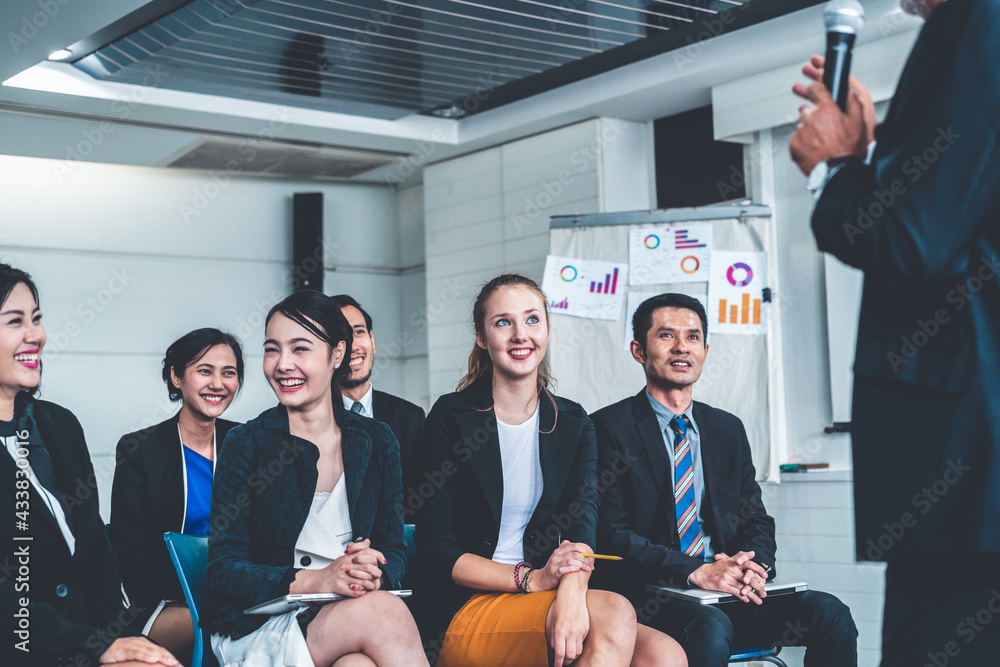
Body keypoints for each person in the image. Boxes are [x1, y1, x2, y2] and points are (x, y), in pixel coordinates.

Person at [789, 0, 1000, 663]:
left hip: (966, 478)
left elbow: (917, 243)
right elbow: (960, 220)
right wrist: (876, 156)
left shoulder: (976, 19)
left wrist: (837, 166)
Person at [414, 273, 686, 667]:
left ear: (546, 329)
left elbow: (582, 528)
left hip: (542, 595)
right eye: (503, 322)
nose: (520, 335)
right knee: (615, 614)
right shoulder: (450, 417)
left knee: (665, 656)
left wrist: (571, 596)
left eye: (532, 320)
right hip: (465, 607)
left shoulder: (573, 422)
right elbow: (437, 549)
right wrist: (532, 579)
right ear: (481, 336)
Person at [592, 293, 858, 666]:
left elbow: (756, 519)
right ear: (639, 350)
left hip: (725, 593)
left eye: (693, 336)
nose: (682, 347)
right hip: (652, 597)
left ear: (705, 349)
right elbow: (610, 534)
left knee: (830, 613)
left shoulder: (726, 428)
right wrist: (697, 571)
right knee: (710, 628)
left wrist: (756, 566)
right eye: (666, 336)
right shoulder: (607, 428)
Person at [205, 290, 428, 667]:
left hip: (351, 612)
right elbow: (223, 570)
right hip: (264, 626)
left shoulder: (376, 439)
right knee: (385, 613)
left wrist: (375, 571)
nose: (282, 364)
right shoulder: (246, 443)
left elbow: (394, 548)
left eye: (300, 349)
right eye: (272, 349)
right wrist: (320, 580)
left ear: (336, 354)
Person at [0, 263, 178, 666]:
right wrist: (93, 645)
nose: (36, 335)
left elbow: (97, 554)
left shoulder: (58, 426)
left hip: (86, 640)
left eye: (37, 319)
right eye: (16, 321)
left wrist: (123, 642)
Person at [109, 328, 244, 662]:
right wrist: (214, 581)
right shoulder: (140, 450)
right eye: (204, 370)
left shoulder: (246, 444)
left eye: (229, 372)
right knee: (236, 628)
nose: (218, 383)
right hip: (168, 602)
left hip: (241, 598)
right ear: (176, 376)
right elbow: (130, 556)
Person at [329, 294, 425, 486]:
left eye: (358, 332)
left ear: (372, 341)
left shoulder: (411, 418)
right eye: (340, 337)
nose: (353, 346)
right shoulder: (310, 421)